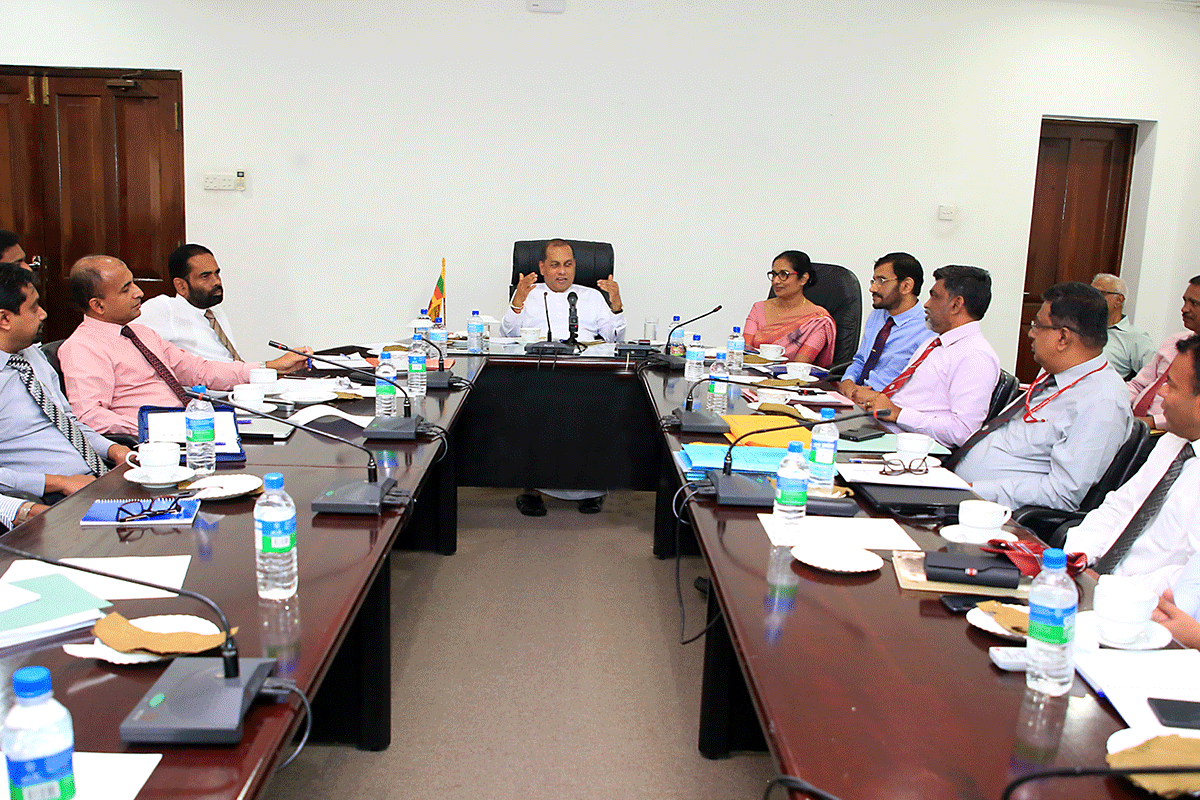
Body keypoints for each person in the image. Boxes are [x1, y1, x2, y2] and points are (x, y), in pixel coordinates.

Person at [58, 255, 309, 437]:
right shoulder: (82, 348)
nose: (139, 292)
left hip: (188, 426)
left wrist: (270, 367)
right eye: (126, 290)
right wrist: (157, 427)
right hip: (154, 440)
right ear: (98, 305)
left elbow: (200, 371)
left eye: (133, 283)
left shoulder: (141, 333)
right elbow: (89, 416)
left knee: (287, 430)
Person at [951, 282, 1132, 511]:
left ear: (1063, 338)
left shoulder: (1102, 401)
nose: (1031, 333)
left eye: (1037, 325)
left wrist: (973, 490)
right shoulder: (1056, 374)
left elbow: (1062, 493)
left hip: (989, 510)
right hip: (960, 489)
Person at [1065, 333, 1200, 595]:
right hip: (1093, 578)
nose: (1161, 392)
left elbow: (1188, 579)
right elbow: (1119, 506)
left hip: (1141, 603)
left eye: (1171, 386)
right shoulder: (1174, 441)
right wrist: (1076, 559)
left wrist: (1105, 586)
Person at [0, 262, 129, 508]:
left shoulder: (31, 355)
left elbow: (67, 422)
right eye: (34, 307)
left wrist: (114, 449)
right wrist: (58, 482)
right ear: (5, 318)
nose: (43, 314)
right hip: (49, 498)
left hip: (96, 477)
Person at [854, 265, 999, 449]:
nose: (926, 304)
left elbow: (963, 431)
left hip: (911, 450)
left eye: (935, 296)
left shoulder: (975, 356)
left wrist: (897, 414)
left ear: (956, 305)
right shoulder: (935, 343)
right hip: (883, 430)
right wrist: (876, 401)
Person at [838, 252, 930, 398]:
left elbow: (919, 387)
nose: (873, 288)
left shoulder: (928, 329)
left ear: (906, 286)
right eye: (873, 281)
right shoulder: (878, 314)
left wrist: (874, 396)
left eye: (881, 281)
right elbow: (861, 360)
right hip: (856, 397)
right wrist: (848, 381)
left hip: (888, 403)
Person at [500, 239, 625, 342]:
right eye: (555, 265)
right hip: (537, 360)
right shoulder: (527, 293)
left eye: (568, 264)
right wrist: (516, 304)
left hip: (582, 360)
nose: (562, 271)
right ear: (542, 268)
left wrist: (616, 307)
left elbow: (614, 340)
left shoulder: (593, 295)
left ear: (574, 265)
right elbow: (508, 336)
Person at [137, 244, 245, 361]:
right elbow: (127, 336)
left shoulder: (213, 310)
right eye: (205, 276)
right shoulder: (166, 308)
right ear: (181, 286)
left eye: (216, 273)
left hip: (237, 371)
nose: (216, 281)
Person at [1126, 276, 1200, 431]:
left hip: (1166, 431)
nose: (1184, 309)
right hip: (1133, 420)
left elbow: (1194, 414)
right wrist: (1113, 403)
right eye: (1185, 301)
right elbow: (1138, 384)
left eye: (1194, 303)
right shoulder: (1175, 341)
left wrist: (1152, 422)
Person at [743, 251, 835, 366]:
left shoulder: (818, 320)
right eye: (774, 274)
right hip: (751, 373)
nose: (776, 281)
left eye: (784, 274)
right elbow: (746, 352)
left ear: (803, 279)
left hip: (791, 376)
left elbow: (799, 365)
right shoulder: (759, 308)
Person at [1092, 273, 1155, 380]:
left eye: (1100, 293)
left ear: (1119, 300)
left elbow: (1153, 377)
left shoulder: (1135, 337)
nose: (1091, 299)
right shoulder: (1078, 328)